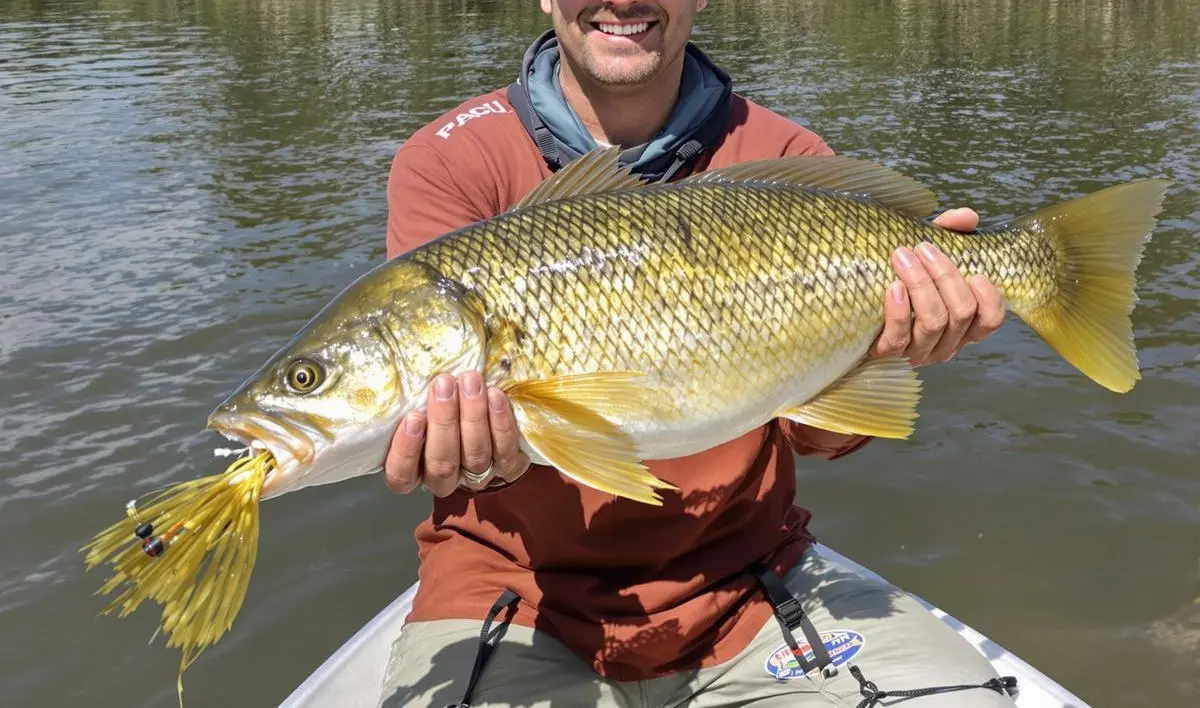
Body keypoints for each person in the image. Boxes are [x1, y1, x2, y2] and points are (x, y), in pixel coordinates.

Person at [377, 2, 1014, 707]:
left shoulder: (788, 159)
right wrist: (478, 460)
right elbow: (435, 432)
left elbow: (818, 436)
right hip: (511, 596)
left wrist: (894, 348)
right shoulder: (447, 161)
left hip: (747, 588)